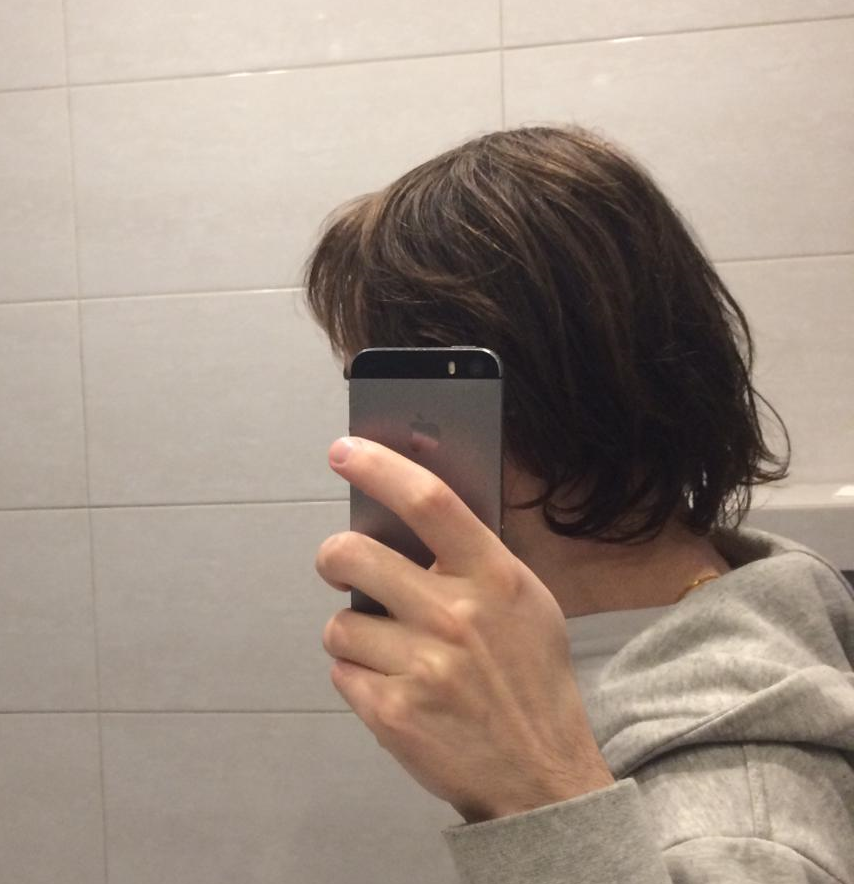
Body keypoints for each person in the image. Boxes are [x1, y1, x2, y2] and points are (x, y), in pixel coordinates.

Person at [304, 125, 854, 883]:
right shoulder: (739, 590)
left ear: (535, 403)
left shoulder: (746, 829)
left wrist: (538, 796)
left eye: (400, 400)